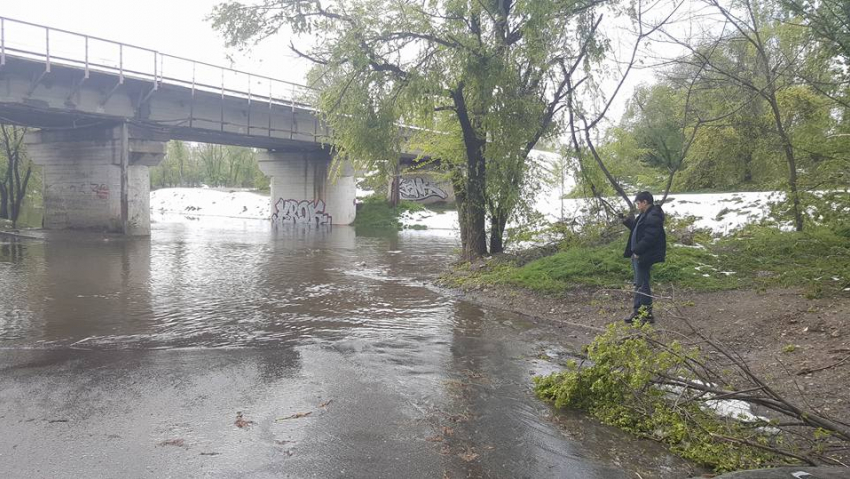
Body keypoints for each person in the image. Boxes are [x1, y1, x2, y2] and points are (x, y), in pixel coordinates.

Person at [621, 191, 666, 324]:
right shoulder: (645, 214)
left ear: (645, 202)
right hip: (638, 255)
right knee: (639, 283)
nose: (637, 205)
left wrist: (638, 250)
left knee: (642, 284)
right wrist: (627, 221)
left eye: (638, 203)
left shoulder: (653, 215)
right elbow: (638, 229)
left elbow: (650, 237)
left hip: (644, 255)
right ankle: (638, 311)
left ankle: (646, 314)